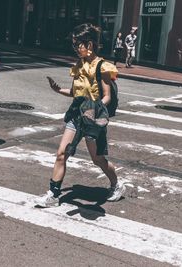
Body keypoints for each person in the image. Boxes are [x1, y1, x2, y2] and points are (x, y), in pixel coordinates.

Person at [35, 23, 125, 208]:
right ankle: (53, 194)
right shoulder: (78, 66)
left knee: (97, 159)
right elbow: (76, 93)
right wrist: (58, 89)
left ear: (89, 44)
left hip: (93, 118)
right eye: (74, 45)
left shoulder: (102, 67)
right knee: (62, 154)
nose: (75, 48)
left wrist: (94, 108)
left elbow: (107, 96)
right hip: (77, 115)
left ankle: (117, 185)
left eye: (78, 45)